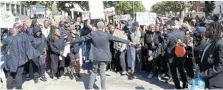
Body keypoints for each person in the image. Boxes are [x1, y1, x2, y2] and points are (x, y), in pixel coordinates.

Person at [70, 21, 131, 90]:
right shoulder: (107, 34)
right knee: (102, 73)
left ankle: (90, 87)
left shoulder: (93, 33)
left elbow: (82, 38)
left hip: (95, 56)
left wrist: (71, 41)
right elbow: (117, 39)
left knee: (93, 72)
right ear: (103, 27)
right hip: (104, 56)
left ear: (97, 26)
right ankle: (103, 88)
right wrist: (128, 42)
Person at [149, 20, 188, 89]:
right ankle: (185, 86)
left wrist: (153, 55)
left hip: (171, 57)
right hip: (181, 55)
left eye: (166, 25)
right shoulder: (182, 32)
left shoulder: (168, 35)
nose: (165, 26)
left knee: (174, 73)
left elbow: (162, 47)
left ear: (170, 25)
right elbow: (184, 43)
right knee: (181, 70)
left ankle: (178, 87)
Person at [0, 23, 40, 89]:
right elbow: (28, 45)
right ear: (19, 29)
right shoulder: (23, 37)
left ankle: (9, 87)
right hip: (21, 59)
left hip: (11, 60)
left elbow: (1, 45)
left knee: (11, 74)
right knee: (19, 74)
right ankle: (19, 87)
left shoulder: (8, 38)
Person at [198, 24, 223, 89]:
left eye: (207, 30)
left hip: (216, 82)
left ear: (214, 31)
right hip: (209, 80)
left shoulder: (220, 44)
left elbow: (220, 66)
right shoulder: (212, 41)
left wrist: (205, 73)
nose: (205, 32)